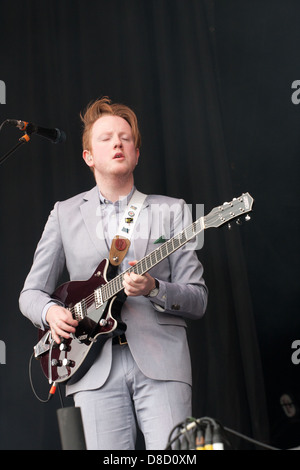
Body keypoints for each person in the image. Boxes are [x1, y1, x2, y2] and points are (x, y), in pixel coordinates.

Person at [19, 96, 208, 450]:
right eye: (106, 138)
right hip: (90, 370)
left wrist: (154, 288)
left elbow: (197, 299)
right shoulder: (64, 213)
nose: (118, 143)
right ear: (89, 156)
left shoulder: (173, 211)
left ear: (136, 153)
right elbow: (30, 294)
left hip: (162, 364)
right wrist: (51, 312)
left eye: (125, 137)